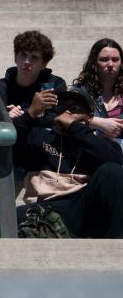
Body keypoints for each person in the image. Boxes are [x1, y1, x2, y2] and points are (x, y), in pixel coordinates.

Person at [14, 87, 123, 238]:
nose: (67, 113)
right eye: (63, 108)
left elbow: (114, 162)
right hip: (46, 206)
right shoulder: (39, 137)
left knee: (111, 170)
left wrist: (75, 127)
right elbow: (8, 143)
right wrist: (31, 113)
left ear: (89, 117)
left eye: (74, 108)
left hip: (80, 208)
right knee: (14, 216)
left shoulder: (97, 144)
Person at [0, 30, 66, 222]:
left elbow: (54, 122)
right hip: (15, 151)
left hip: (38, 149)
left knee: (39, 133)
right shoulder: (0, 87)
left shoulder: (53, 85)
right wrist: (32, 112)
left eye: (34, 58)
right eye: (23, 55)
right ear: (15, 57)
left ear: (44, 63)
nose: (27, 61)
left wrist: (19, 118)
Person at [72, 38, 123, 140]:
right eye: (104, 59)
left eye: (115, 59)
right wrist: (98, 123)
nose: (110, 64)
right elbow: (66, 119)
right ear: (94, 63)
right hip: (89, 151)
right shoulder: (80, 91)